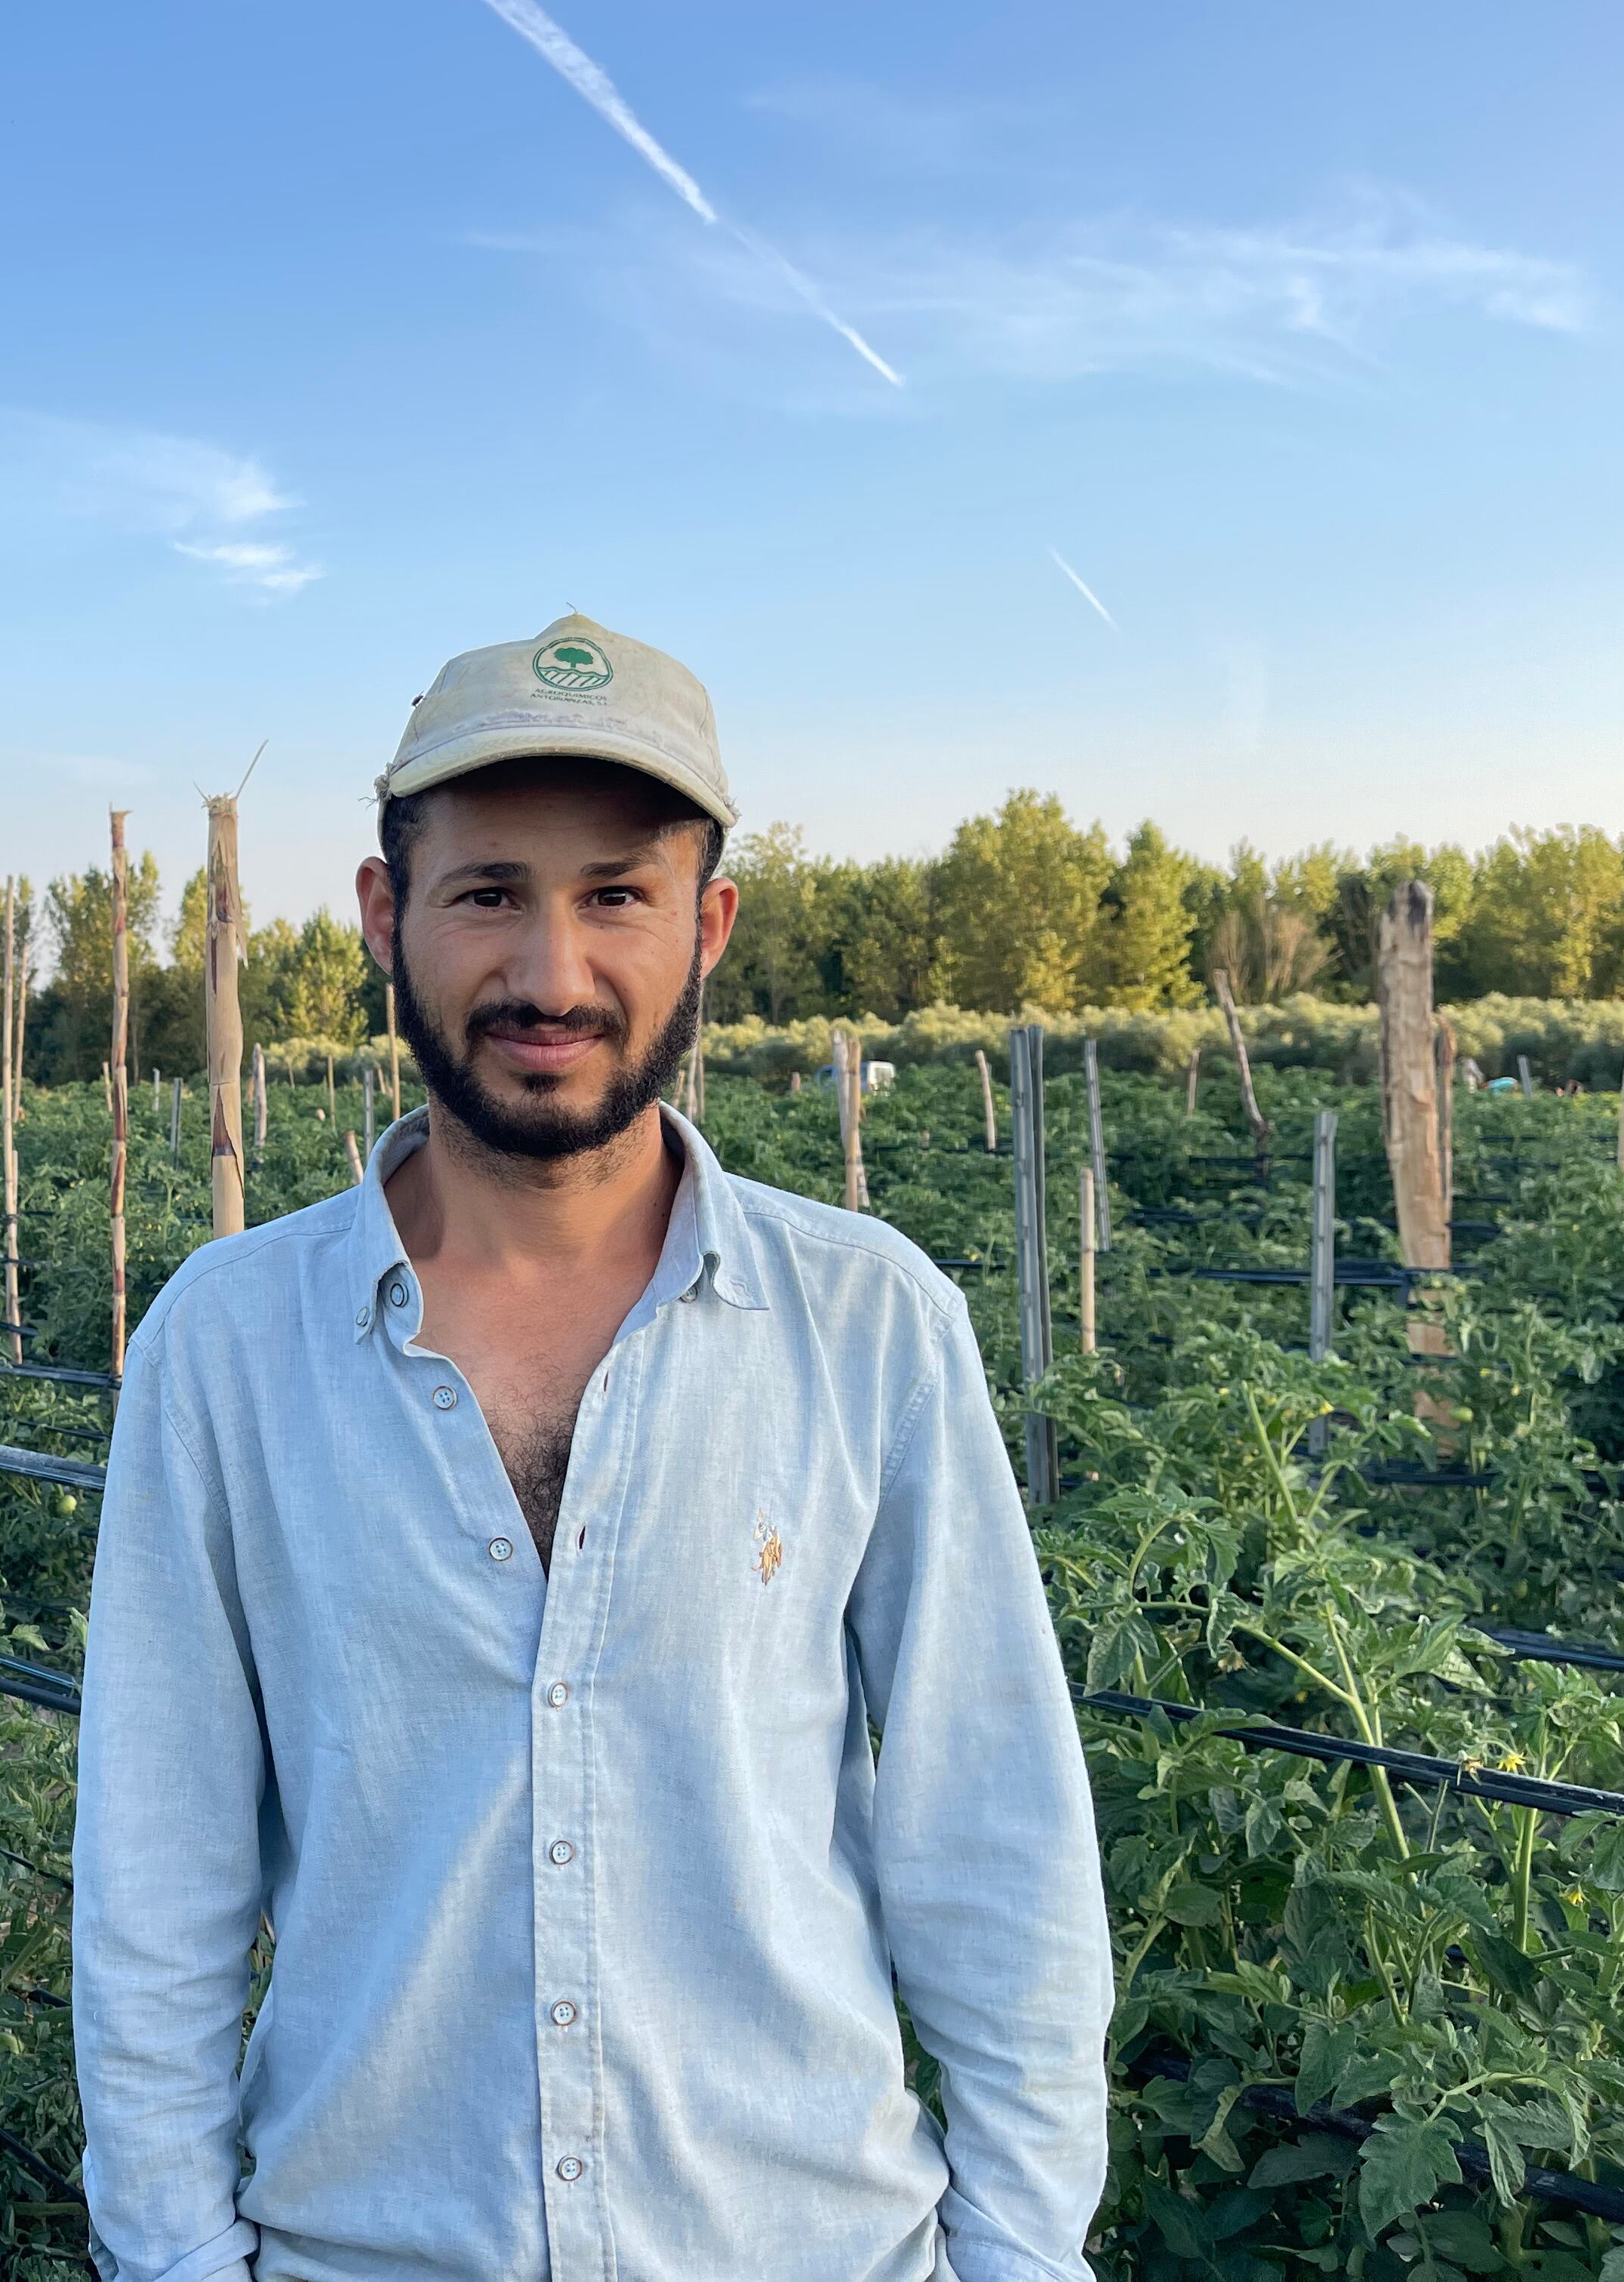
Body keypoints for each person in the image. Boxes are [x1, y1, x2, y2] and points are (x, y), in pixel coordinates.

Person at [72, 614, 1111, 2282]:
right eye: (488, 890)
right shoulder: (226, 1347)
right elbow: (156, 1895)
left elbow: (997, 1860)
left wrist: (1023, 2255)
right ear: (382, 914)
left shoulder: (871, 1329)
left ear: (707, 927)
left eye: (614, 894)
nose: (550, 974)